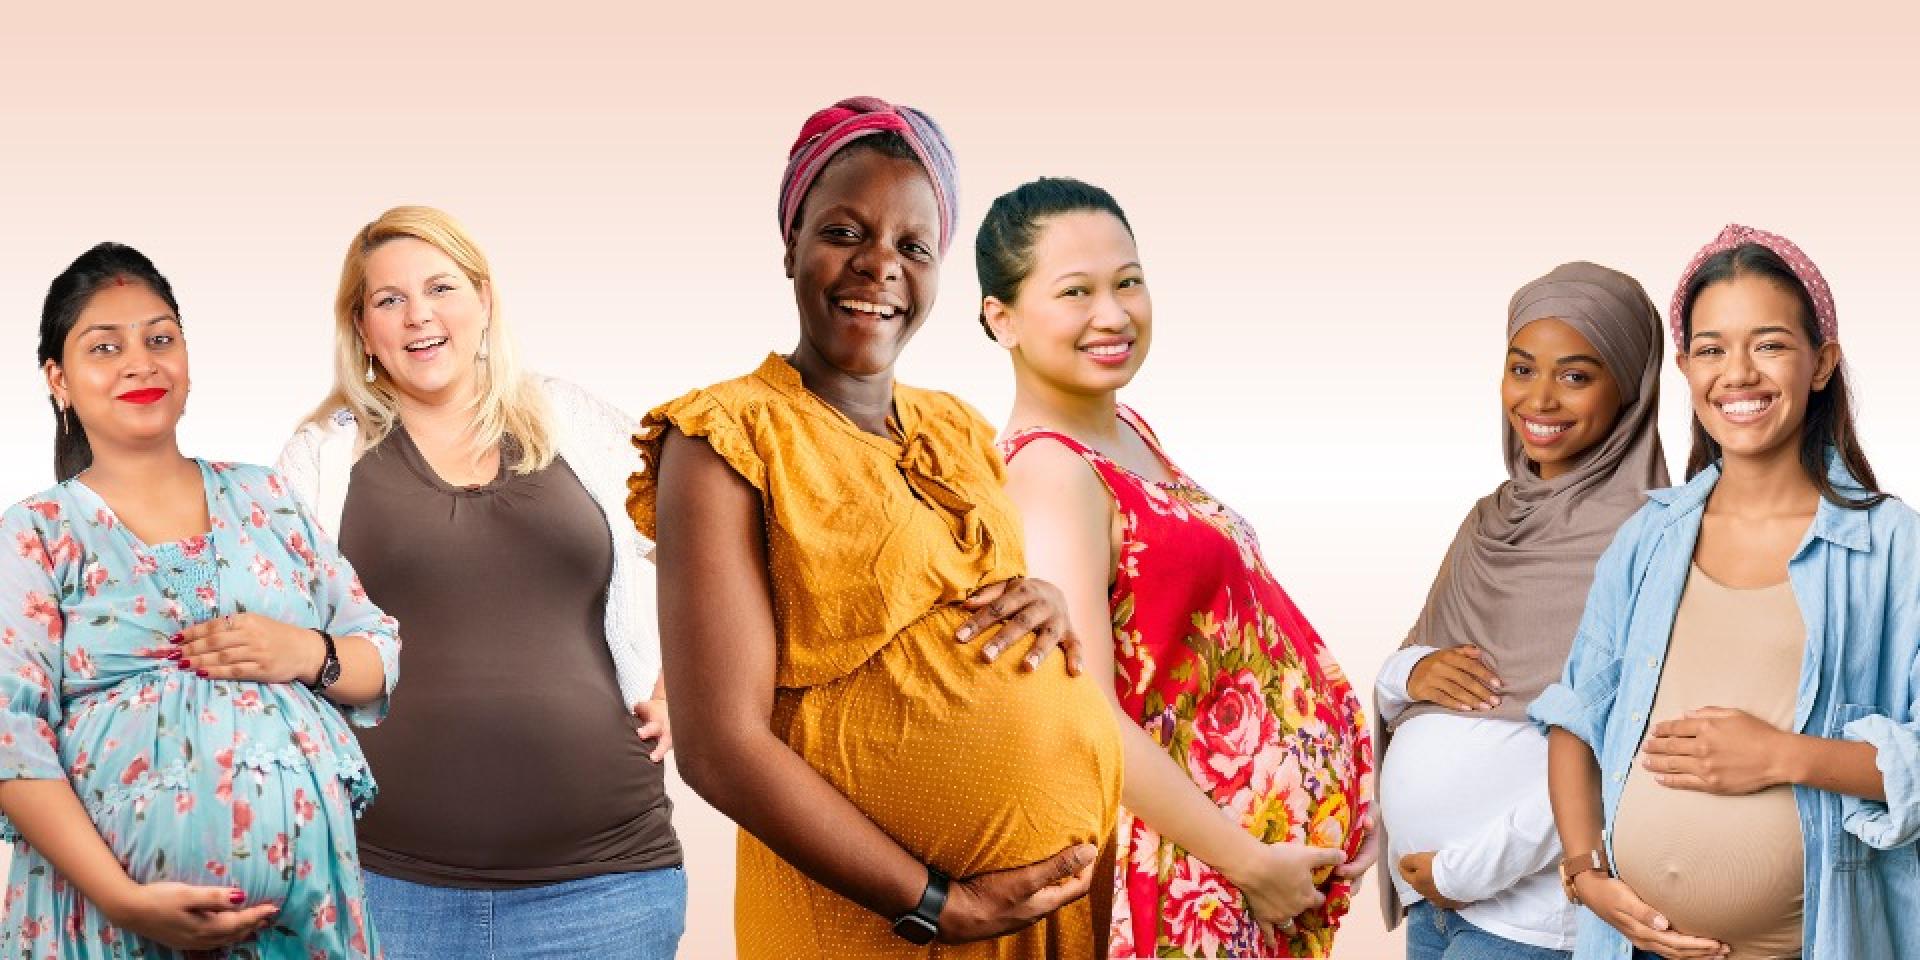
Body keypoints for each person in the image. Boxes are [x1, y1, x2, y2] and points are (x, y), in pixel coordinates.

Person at [629, 97, 1122, 959]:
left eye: (912, 246)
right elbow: (718, 747)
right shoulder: (725, 437)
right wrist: (936, 903)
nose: (880, 266)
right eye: (845, 232)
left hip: (1049, 914)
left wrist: (1042, 599)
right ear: (791, 245)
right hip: (875, 924)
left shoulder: (960, 430)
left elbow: (962, 617)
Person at [979, 177, 1377, 958]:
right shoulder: (1050, 474)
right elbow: (1083, 714)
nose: (1114, 313)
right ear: (1003, 319)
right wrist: (1253, 862)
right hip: (1190, 880)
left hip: (1240, 877)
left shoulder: (1125, 429)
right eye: (1075, 291)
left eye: (1129, 281)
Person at [275, 205, 684, 959]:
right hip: (383, 887)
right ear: (362, 329)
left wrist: (688, 686)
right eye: (388, 300)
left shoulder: (579, 425)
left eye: (441, 288)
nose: (419, 316)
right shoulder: (319, 464)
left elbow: (712, 555)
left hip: (606, 888)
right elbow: (269, 639)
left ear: (484, 301)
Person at [0, 242, 399, 957]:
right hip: (107, 924)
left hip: (305, 926)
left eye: (160, 338)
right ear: (57, 379)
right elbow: (9, 738)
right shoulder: (37, 534)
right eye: (105, 347)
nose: (140, 362)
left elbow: (378, 655)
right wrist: (126, 900)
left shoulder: (266, 497)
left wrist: (308, 652)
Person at [1533, 225, 1920, 960]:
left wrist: (1784, 756)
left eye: (1769, 344)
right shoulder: (1646, 539)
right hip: (1631, 948)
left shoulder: (1896, 549)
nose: (1737, 374)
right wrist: (1587, 874)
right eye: (1711, 349)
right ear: (1684, 367)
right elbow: (1575, 717)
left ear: (1821, 364)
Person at [1375, 262, 1667, 960]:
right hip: (1435, 907)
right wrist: (1412, 672)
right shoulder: (1488, 520)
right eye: (1521, 368)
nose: (1540, 398)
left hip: (1535, 919)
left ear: (1629, 387)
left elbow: (1624, 752)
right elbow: (1399, 680)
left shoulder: (1655, 536)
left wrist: (1467, 870)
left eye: (1575, 375)